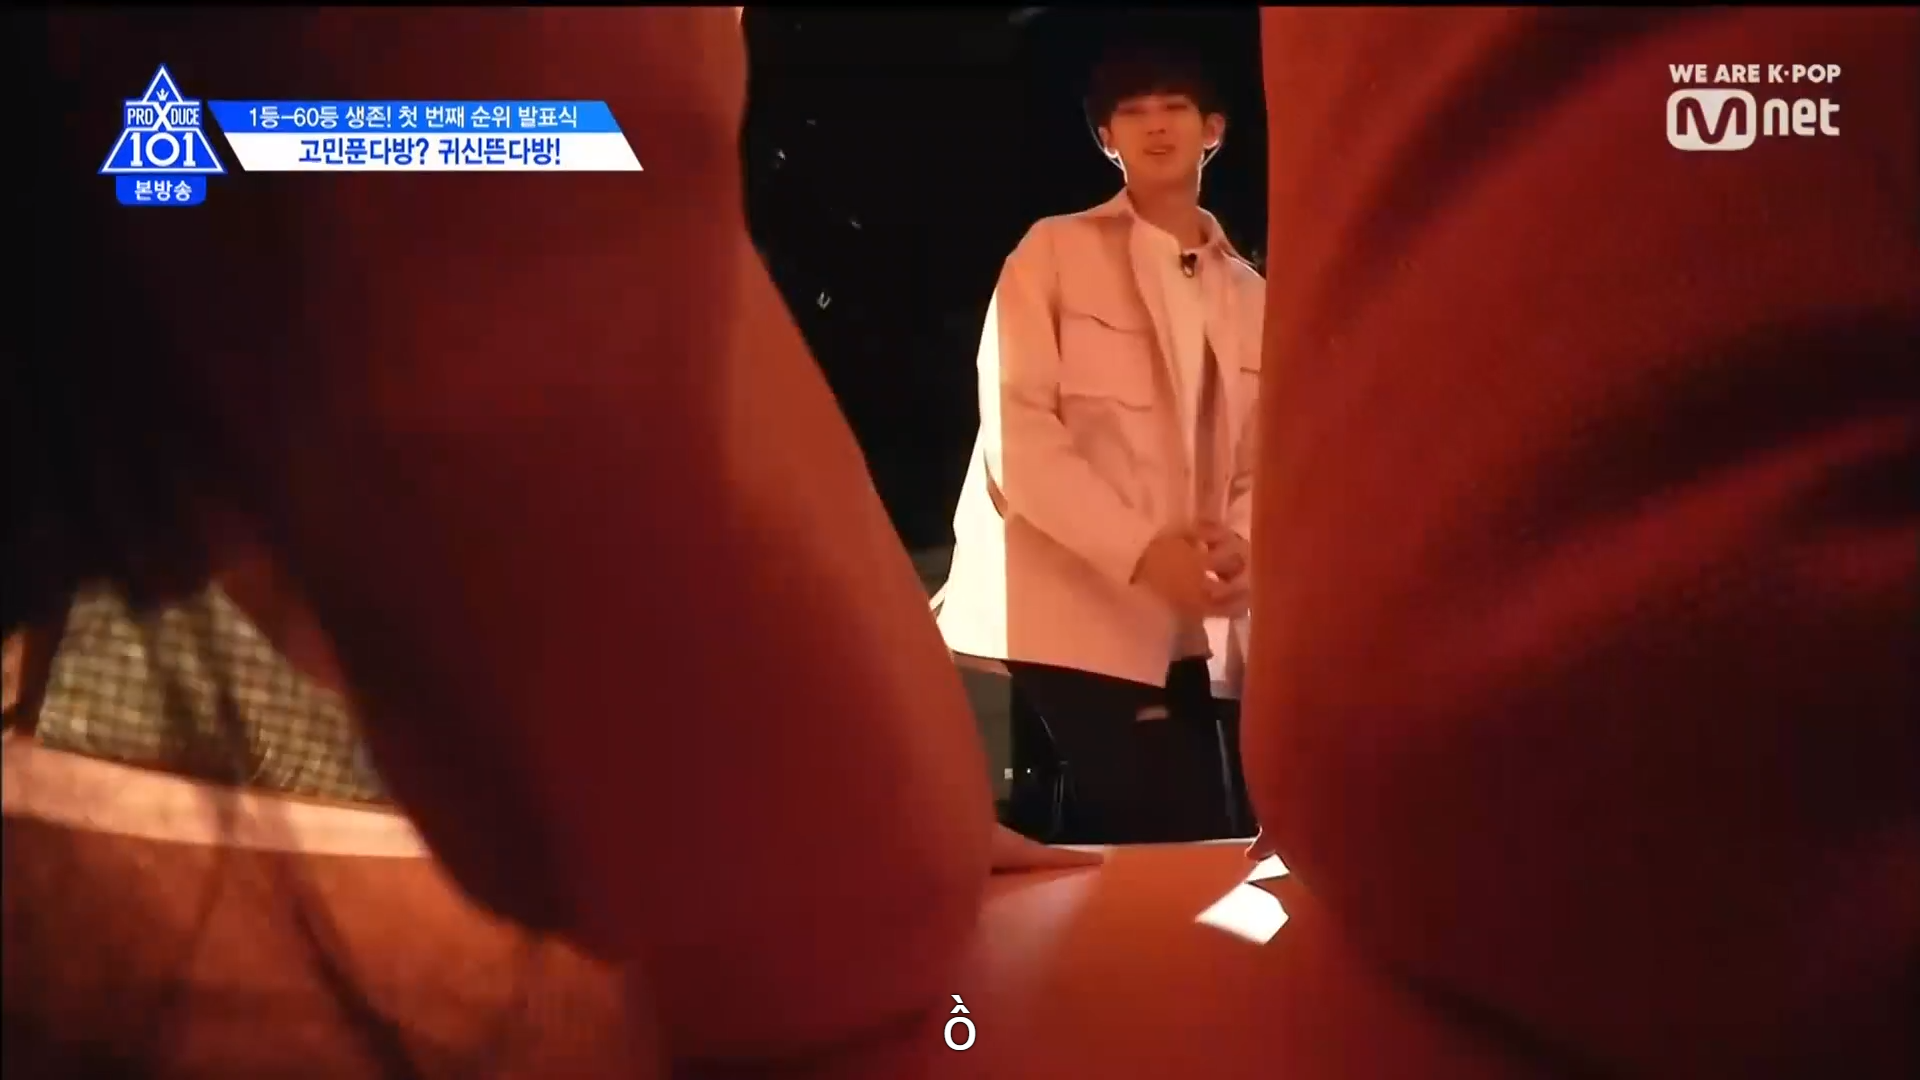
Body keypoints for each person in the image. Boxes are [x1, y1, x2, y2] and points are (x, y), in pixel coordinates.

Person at [936, 41, 1261, 845]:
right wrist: (1144, 552)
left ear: (1213, 129)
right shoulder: (1052, 252)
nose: (1156, 126)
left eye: (1174, 107)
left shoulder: (1250, 293)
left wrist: (1243, 544)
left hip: (1202, 621)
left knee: (1210, 833)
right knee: (1161, 826)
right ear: (1107, 139)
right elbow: (1018, 432)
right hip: (1074, 607)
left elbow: (1265, 453)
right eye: (1133, 112)